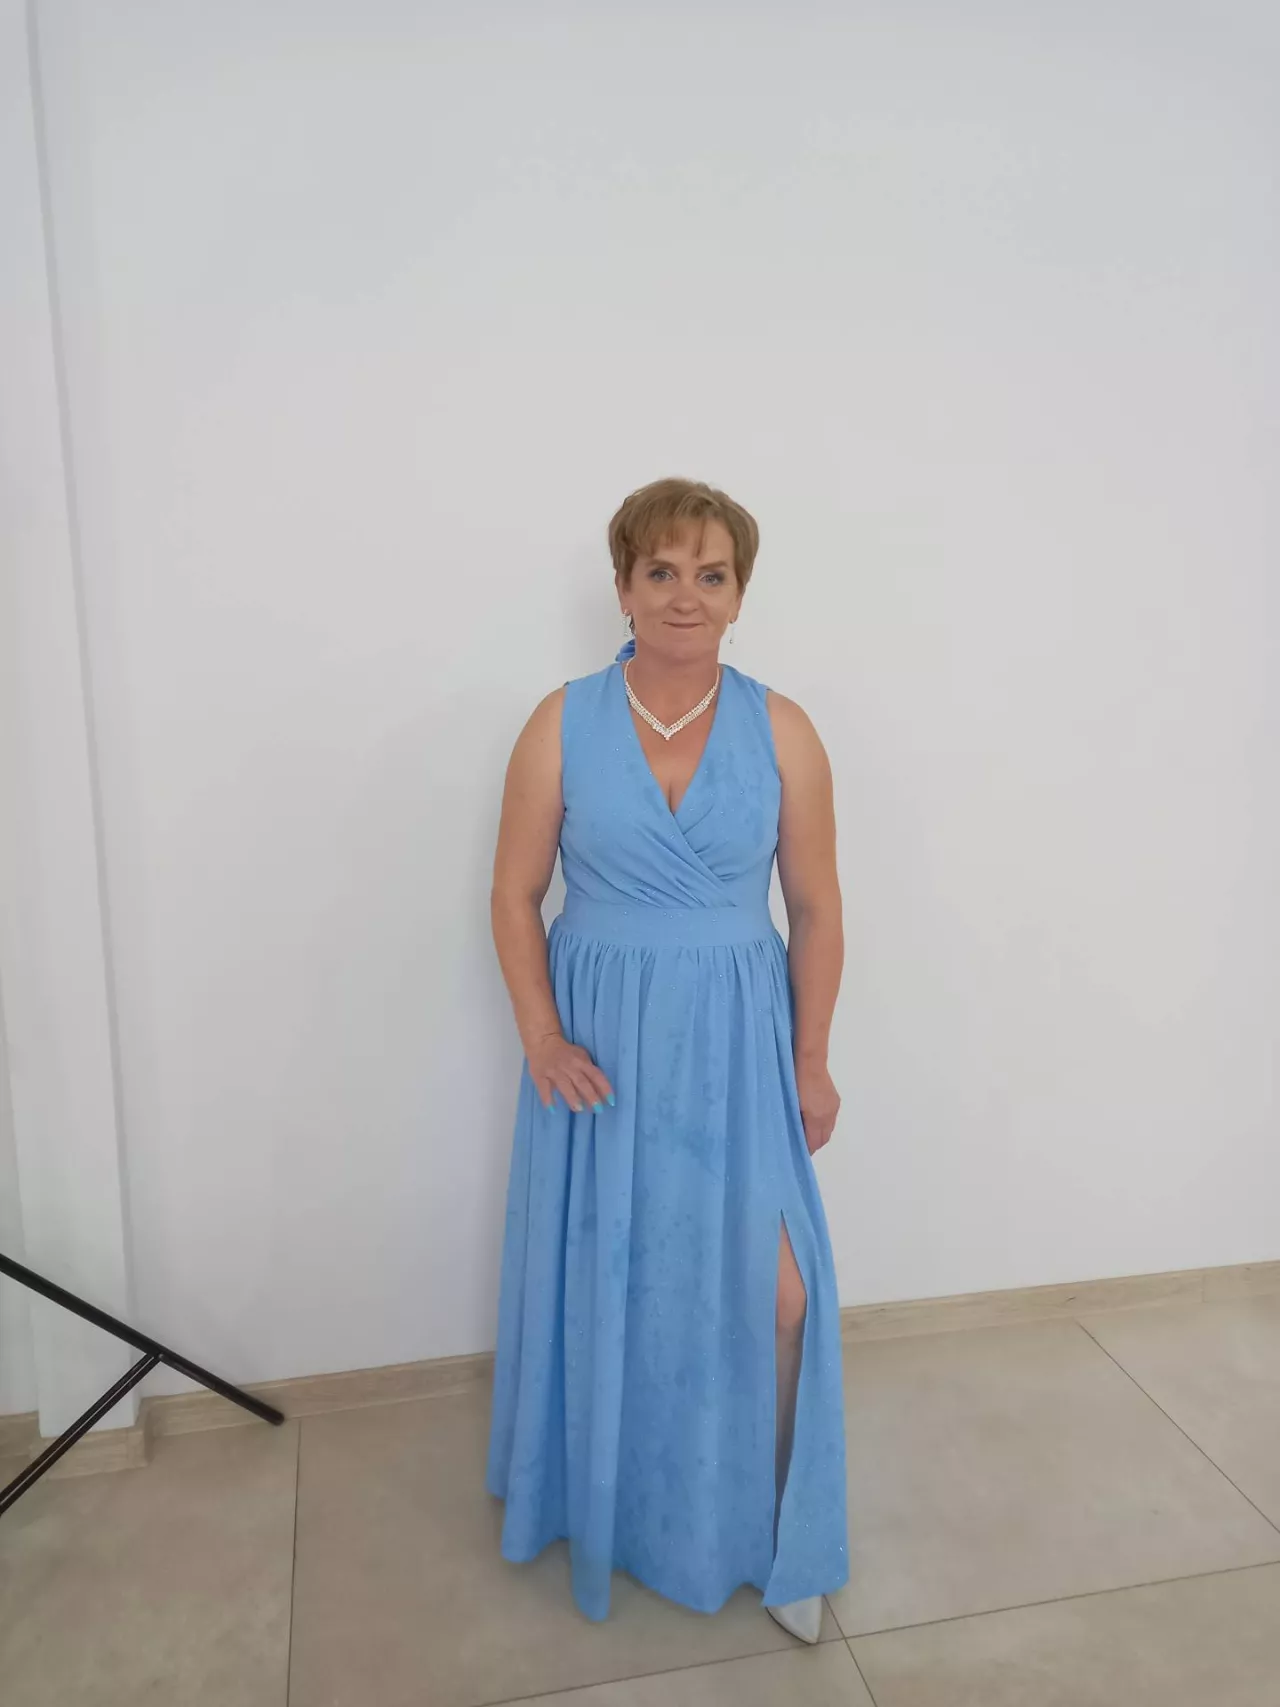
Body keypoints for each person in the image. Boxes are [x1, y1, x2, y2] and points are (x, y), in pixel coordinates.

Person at [486, 477, 848, 1640]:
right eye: (660, 571)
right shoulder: (559, 723)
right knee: (619, 1278)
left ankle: (784, 1534)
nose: (684, 596)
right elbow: (512, 893)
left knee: (779, 1292)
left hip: (737, 1043)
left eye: (710, 575)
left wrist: (810, 1058)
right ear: (622, 587)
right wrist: (540, 1034)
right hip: (600, 1046)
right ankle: (621, 1508)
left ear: (738, 596)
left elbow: (814, 907)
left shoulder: (783, 730)